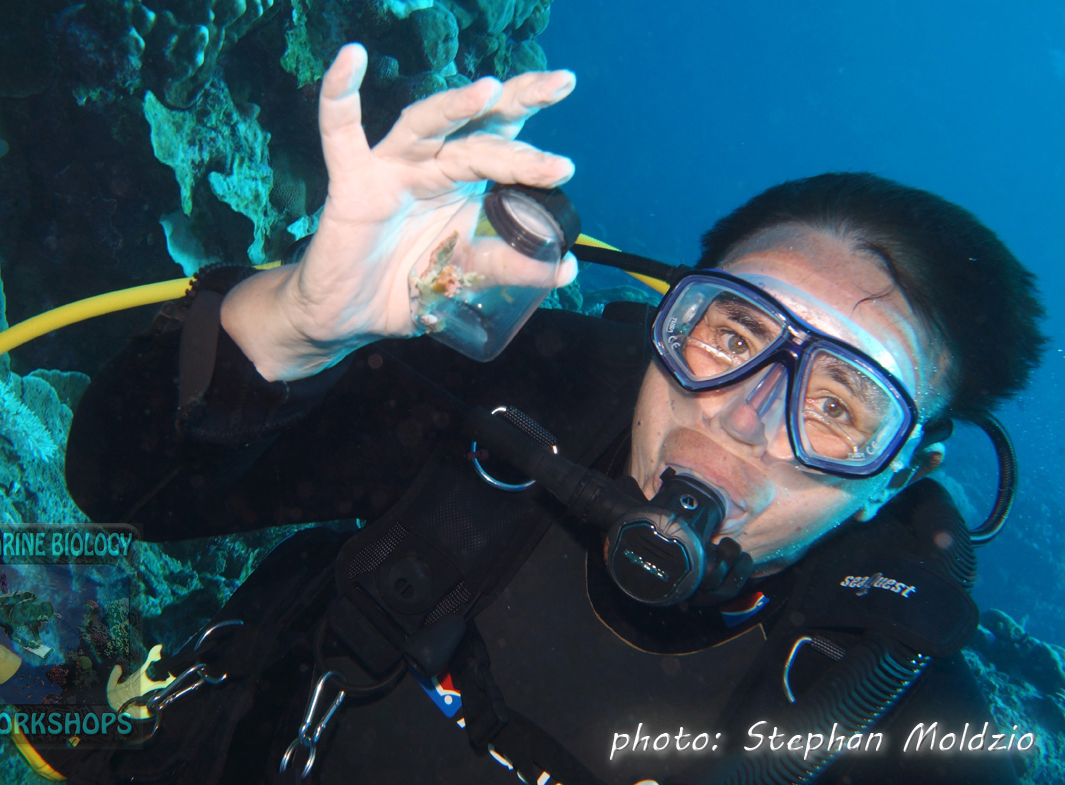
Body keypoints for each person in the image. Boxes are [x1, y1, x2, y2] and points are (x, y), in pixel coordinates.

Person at [63, 43, 1045, 785]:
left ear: (895, 474)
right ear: (669, 318)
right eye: (732, 332)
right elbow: (124, 487)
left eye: (834, 403)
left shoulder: (905, 726)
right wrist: (295, 325)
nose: (744, 416)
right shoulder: (520, 398)